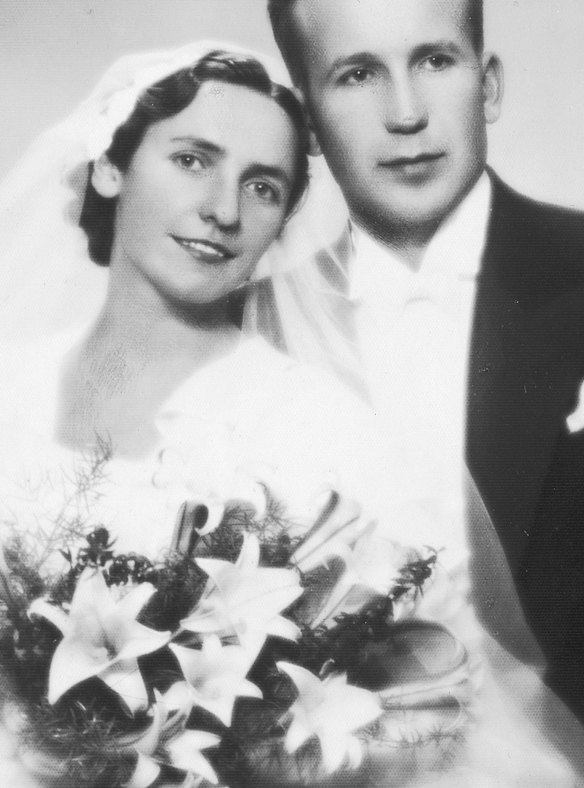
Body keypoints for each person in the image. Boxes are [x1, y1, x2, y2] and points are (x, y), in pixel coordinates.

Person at [0, 42, 583, 788]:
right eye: (191, 160)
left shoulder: (316, 427)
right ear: (111, 166)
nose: (223, 209)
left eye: (264, 187)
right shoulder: (12, 383)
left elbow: (442, 688)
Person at [267, 0, 584, 722]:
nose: (405, 113)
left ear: (490, 84)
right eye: (357, 74)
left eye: (434, 60)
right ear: (306, 125)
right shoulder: (254, 324)